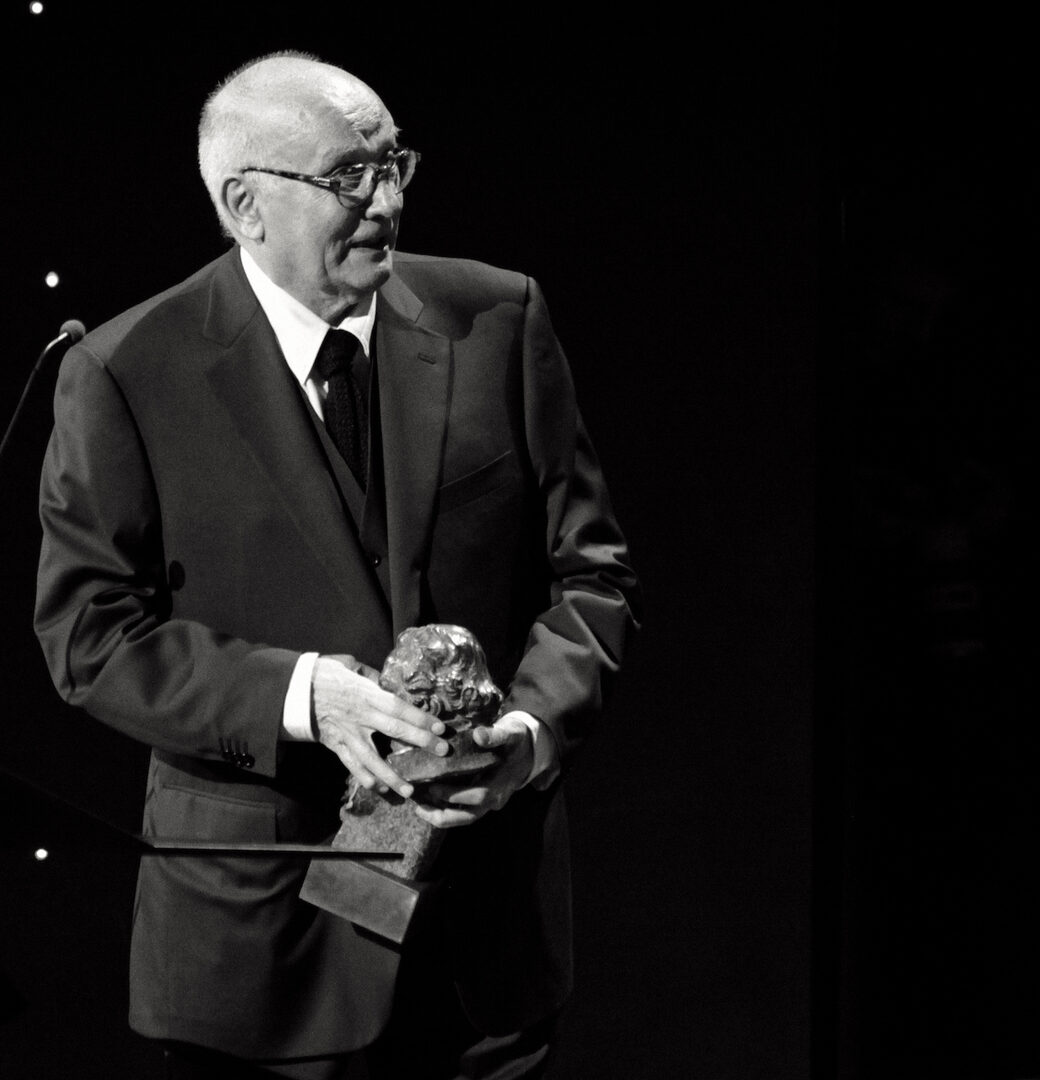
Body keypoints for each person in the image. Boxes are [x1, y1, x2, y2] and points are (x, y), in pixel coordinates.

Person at [33, 51, 638, 1079]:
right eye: (348, 177)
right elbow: (88, 636)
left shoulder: (499, 319)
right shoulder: (125, 372)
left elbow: (593, 577)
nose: (387, 202)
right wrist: (304, 697)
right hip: (258, 955)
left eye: (394, 164)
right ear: (245, 205)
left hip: (483, 951)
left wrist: (529, 735)